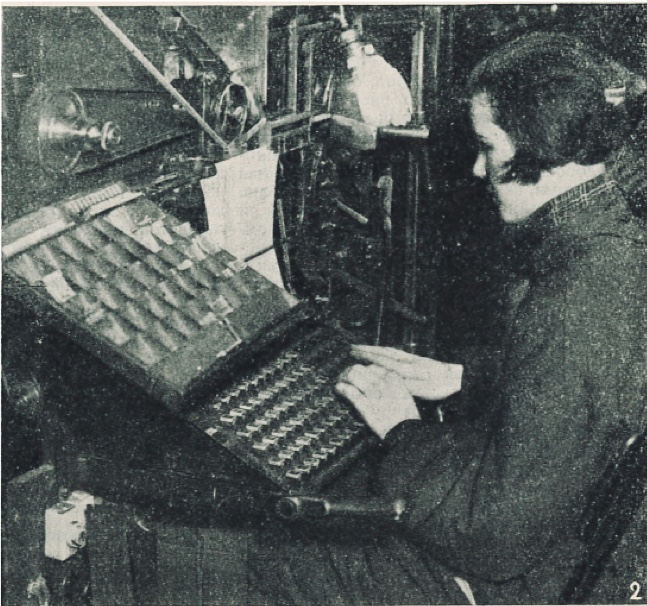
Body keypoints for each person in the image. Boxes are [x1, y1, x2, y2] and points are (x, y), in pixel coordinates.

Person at [249, 33, 646, 605]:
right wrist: (465, 378)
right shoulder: (614, 241)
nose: (480, 170)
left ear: (543, 144)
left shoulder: (576, 297)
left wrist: (401, 431)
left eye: (489, 146)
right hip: (569, 546)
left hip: (537, 583)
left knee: (273, 549)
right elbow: (595, 391)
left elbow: (492, 540)